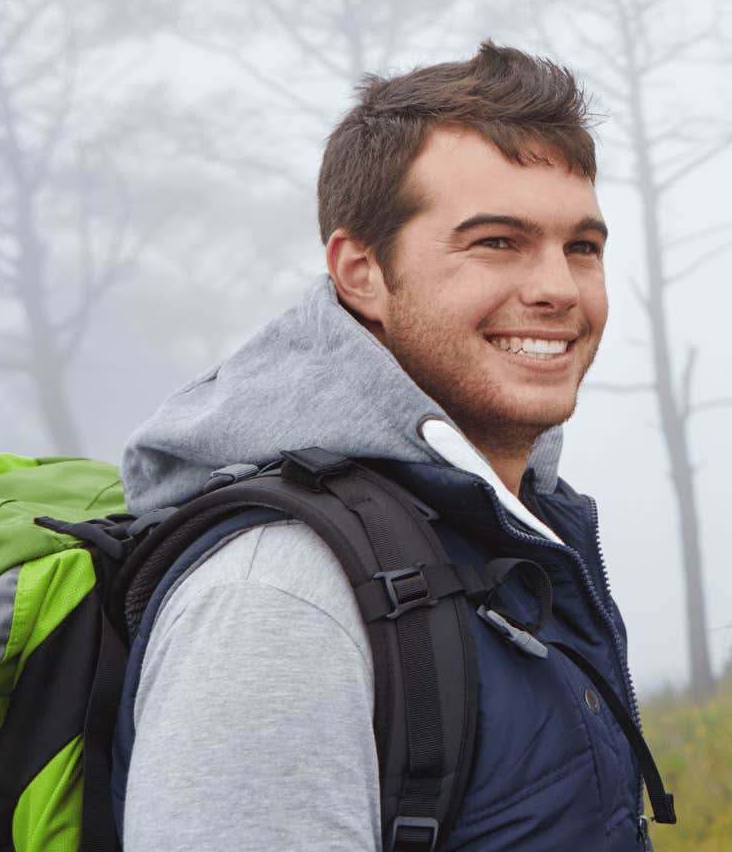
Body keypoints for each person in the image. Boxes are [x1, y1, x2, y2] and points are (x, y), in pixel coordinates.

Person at [118, 42, 655, 850]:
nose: (557, 287)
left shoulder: (503, 525)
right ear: (360, 272)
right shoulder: (279, 596)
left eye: (582, 247)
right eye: (497, 242)